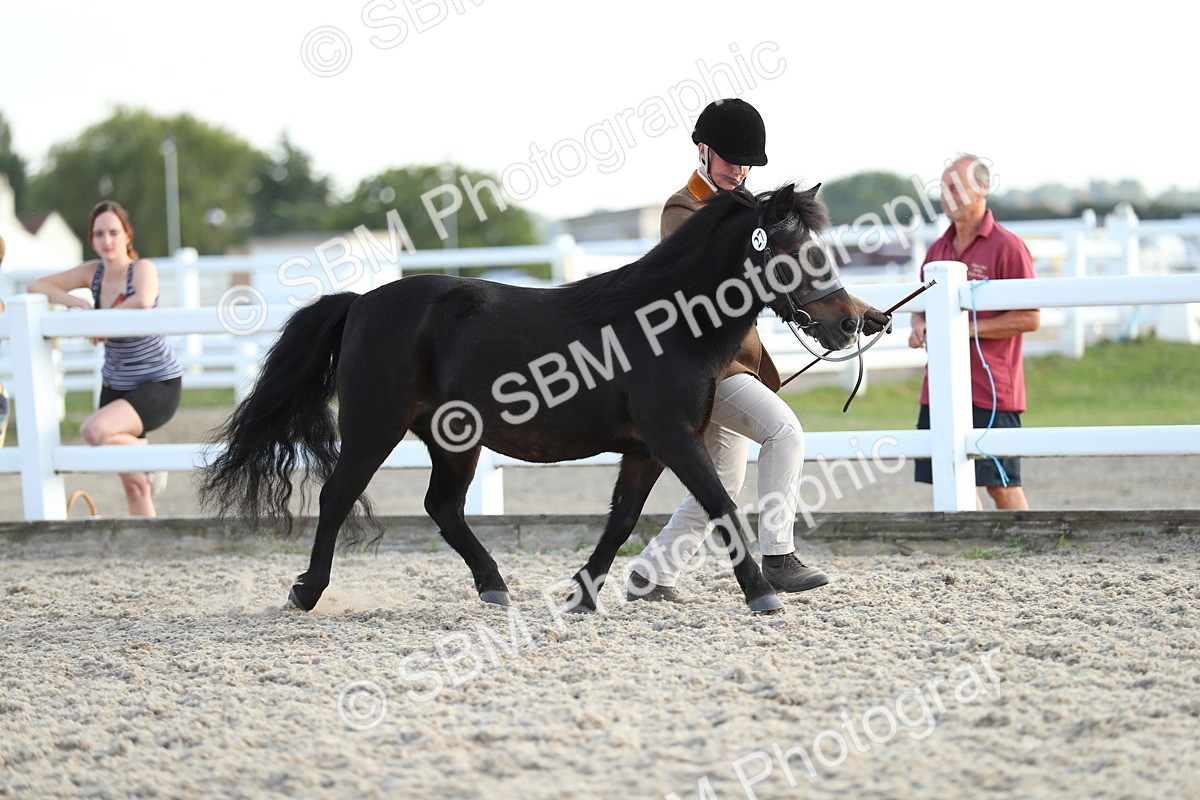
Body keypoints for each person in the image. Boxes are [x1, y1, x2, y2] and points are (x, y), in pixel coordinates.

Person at [626, 98, 885, 602]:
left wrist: (849, 308)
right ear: (702, 152)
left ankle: (652, 574)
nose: (740, 171)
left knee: (721, 481)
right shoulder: (684, 209)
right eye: (730, 160)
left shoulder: (752, 210)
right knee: (784, 433)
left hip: (735, 362)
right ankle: (779, 557)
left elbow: (788, 269)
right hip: (706, 367)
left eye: (747, 163)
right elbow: (707, 284)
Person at [27, 200, 182, 516]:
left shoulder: (141, 269)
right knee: (134, 483)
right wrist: (77, 304)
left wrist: (102, 319)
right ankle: (145, 547)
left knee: (94, 432)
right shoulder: (92, 273)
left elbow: (143, 300)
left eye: (113, 232)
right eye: (99, 234)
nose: (106, 240)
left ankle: (147, 455)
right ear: (92, 239)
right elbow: (37, 286)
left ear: (127, 235)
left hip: (157, 383)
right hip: (115, 383)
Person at [908, 154, 1040, 510]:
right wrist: (919, 325)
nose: (945, 195)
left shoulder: (1008, 246)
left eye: (954, 186)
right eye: (943, 187)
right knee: (954, 483)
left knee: (1001, 485)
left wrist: (962, 329)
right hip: (939, 385)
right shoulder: (937, 250)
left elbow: (1029, 317)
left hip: (991, 387)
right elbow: (919, 308)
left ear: (982, 188)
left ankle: (1025, 548)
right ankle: (973, 554)